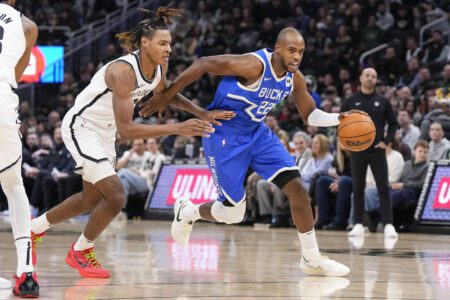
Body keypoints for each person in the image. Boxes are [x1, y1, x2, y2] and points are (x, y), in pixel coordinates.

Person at [140, 27, 364, 277]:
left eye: (301, 52)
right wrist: (166, 96)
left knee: (298, 189)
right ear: (278, 48)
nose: (297, 57)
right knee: (234, 214)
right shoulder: (253, 65)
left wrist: (339, 118)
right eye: (292, 50)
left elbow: (309, 115)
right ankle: (189, 210)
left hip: (257, 133)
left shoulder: (294, 78)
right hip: (224, 133)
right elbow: (204, 63)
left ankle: (311, 258)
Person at [30, 7, 234, 279]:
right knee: (115, 195)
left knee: (91, 199)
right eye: (163, 43)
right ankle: (81, 250)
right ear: (144, 43)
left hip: (105, 132)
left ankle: (34, 229)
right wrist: (177, 128)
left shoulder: (160, 67)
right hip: (83, 126)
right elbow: (126, 131)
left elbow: (165, 94)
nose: (169, 49)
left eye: (170, 43)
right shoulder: (122, 71)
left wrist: (203, 113)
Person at [0, 0, 39, 297]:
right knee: (14, 186)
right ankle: (26, 274)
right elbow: (16, 73)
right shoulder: (28, 27)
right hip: (2, 102)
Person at [342, 68, 399, 239]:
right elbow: (340, 122)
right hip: (357, 150)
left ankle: (388, 224)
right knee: (358, 187)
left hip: (377, 151)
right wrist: (345, 142)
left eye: (374, 76)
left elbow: (394, 123)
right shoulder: (351, 101)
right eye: (367, 75)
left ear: (376, 80)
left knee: (383, 187)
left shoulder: (382, 101)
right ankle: (358, 224)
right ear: (360, 78)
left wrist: (387, 141)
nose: (370, 78)